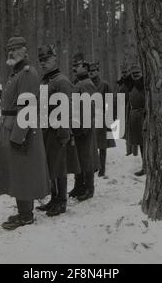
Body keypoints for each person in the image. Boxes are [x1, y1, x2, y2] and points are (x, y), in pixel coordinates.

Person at [0, 36, 50, 230]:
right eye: (9, 49)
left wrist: (18, 135)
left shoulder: (27, 73)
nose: (11, 52)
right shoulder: (16, 73)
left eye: (16, 49)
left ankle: (26, 215)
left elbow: (28, 107)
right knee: (17, 172)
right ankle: (23, 211)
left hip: (21, 129)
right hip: (11, 126)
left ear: (25, 51)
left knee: (23, 171)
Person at [36, 44, 78, 216]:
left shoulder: (62, 81)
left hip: (57, 130)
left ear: (55, 59)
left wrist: (64, 132)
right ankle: (54, 198)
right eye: (41, 60)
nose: (43, 63)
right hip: (45, 130)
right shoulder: (45, 81)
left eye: (46, 59)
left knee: (59, 167)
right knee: (51, 165)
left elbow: (66, 109)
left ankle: (61, 201)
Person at [69, 53, 100, 201]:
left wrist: (85, 126)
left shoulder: (86, 83)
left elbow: (91, 106)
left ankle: (89, 187)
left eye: (78, 66)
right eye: (73, 66)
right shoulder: (77, 83)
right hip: (77, 125)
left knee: (87, 156)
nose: (74, 68)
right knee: (79, 156)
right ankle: (78, 186)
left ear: (85, 68)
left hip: (84, 126)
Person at [88, 61, 116, 177]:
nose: (91, 73)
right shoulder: (87, 85)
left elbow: (110, 101)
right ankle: (95, 165)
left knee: (103, 144)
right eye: (89, 72)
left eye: (93, 71)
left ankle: (102, 168)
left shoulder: (105, 85)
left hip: (102, 117)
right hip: (90, 117)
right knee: (91, 144)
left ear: (98, 72)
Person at [126, 65, 146, 176]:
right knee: (141, 143)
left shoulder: (145, 84)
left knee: (146, 143)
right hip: (135, 117)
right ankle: (145, 166)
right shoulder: (131, 85)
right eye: (133, 74)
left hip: (144, 116)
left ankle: (148, 166)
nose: (136, 76)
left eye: (138, 73)